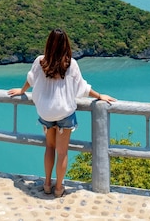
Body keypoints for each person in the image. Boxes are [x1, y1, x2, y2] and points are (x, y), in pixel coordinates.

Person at [8, 28, 116, 197]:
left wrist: (22, 91)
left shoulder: (40, 62)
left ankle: (46, 184)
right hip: (64, 113)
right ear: (66, 44)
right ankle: (59, 188)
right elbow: (82, 88)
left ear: (48, 43)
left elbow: (30, 79)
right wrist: (100, 96)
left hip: (46, 112)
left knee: (49, 147)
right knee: (62, 152)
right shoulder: (70, 64)